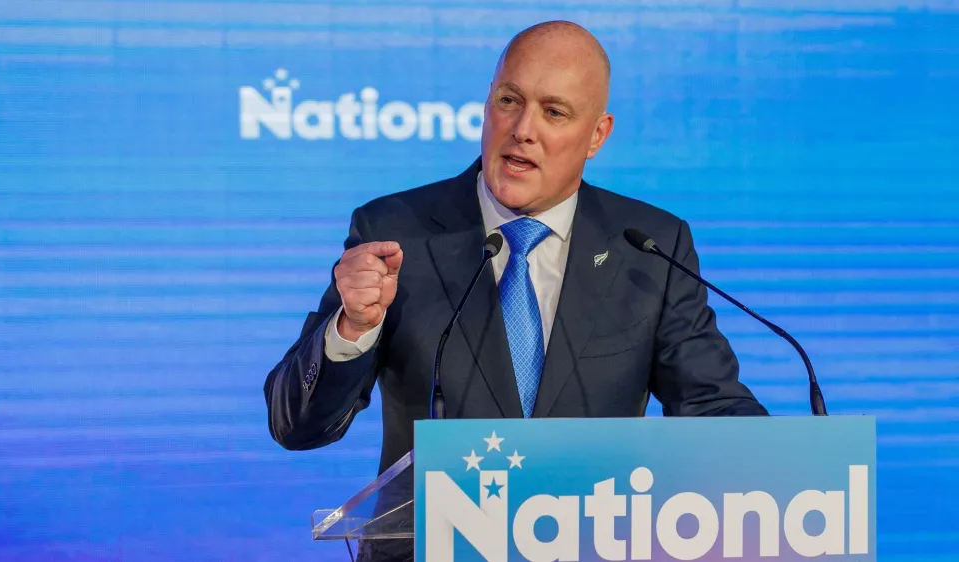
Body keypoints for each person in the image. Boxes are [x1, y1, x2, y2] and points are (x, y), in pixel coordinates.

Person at [265, 19, 767, 475]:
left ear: (597, 135)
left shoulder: (649, 246)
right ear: (487, 103)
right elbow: (297, 428)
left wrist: (804, 465)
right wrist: (353, 327)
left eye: (554, 112)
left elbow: (713, 409)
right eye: (509, 100)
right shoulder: (397, 232)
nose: (523, 130)